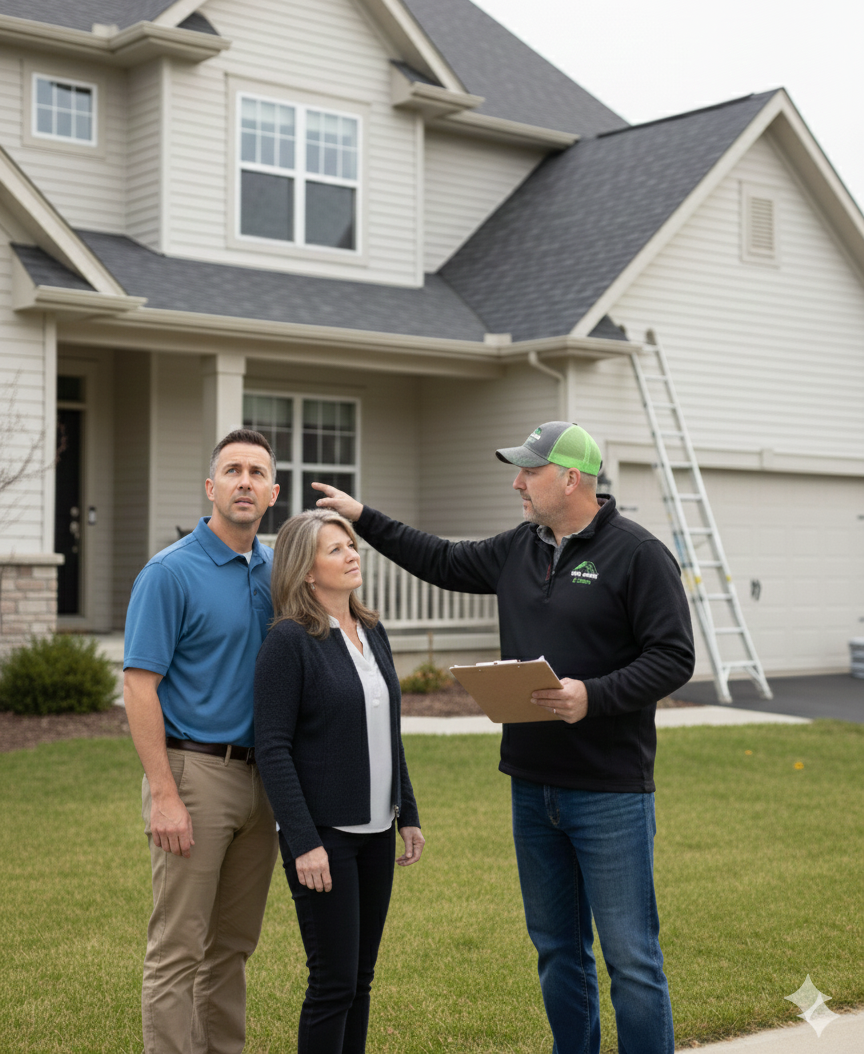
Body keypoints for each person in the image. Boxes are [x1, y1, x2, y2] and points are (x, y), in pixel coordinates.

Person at [311, 421, 695, 1054]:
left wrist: (590, 696)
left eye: (529, 472)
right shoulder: (521, 546)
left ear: (570, 478)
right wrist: (363, 517)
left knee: (631, 958)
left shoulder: (638, 554)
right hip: (532, 787)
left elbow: (673, 657)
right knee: (555, 950)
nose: (517, 482)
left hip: (610, 792)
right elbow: (439, 558)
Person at [123, 429, 281, 1054]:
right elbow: (139, 688)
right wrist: (164, 793)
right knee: (178, 948)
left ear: (273, 492)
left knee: (233, 947)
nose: (245, 481)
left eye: (257, 472)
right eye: (233, 470)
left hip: (264, 781)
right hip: (195, 775)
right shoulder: (169, 573)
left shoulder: (279, 571)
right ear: (211, 487)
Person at [254, 509, 424, 1054]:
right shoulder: (289, 641)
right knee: (332, 984)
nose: (353, 554)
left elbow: (387, 731)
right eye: (336, 549)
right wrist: (303, 841)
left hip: (377, 830)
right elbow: (272, 748)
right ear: (306, 570)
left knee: (360, 979)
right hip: (324, 838)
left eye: (352, 545)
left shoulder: (372, 630)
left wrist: (408, 814)